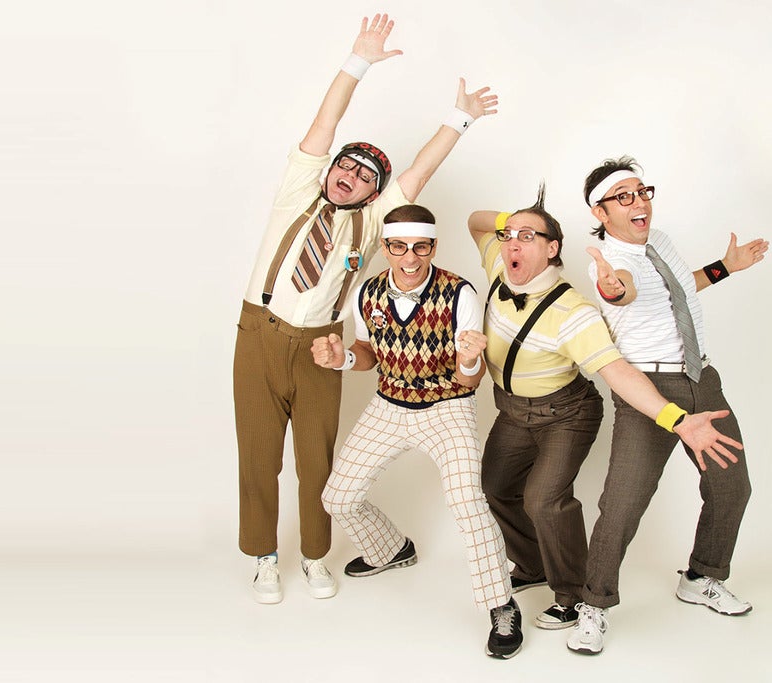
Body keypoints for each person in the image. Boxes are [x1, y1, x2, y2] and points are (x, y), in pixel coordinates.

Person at [233, 13, 499, 605]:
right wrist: (357, 61)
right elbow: (324, 124)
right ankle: (264, 557)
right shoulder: (296, 192)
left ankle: (313, 556)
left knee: (316, 458)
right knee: (258, 453)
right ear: (328, 171)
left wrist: (460, 118)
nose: (349, 176)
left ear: (375, 192)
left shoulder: (376, 223)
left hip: (321, 343)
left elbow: (420, 172)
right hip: (259, 333)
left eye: (364, 176)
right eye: (344, 166)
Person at [466, 187, 743, 636]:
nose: (512, 243)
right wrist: (514, 222)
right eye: (509, 235)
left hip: (565, 412)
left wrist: (676, 419)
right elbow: (476, 221)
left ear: (552, 249)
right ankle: (534, 565)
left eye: (528, 237)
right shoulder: (500, 261)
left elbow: (617, 370)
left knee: (543, 500)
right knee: (495, 488)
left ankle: (572, 596)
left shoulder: (575, 312)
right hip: (512, 410)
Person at [567, 157, 768, 655]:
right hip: (648, 389)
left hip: (702, 378)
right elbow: (623, 290)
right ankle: (593, 605)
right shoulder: (609, 263)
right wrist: (613, 288)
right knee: (623, 504)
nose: (639, 202)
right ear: (600, 211)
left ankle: (701, 577)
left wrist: (726, 267)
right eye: (624, 196)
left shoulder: (660, 241)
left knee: (732, 487)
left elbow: (676, 288)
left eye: (642, 192)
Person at [313, 206, 523, 659]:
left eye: (420, 247)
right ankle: (391, 549)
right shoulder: (367, 291)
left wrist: (470, 359)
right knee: (338, 498)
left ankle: (501, 604)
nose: (410, 258)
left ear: (433, 247)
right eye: (399, 247)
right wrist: (341, 359)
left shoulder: (459, 293)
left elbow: (470, 380)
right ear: (385, 247)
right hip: (389, 405)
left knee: (467, 502)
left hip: (447, 406)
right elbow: (367, 351)